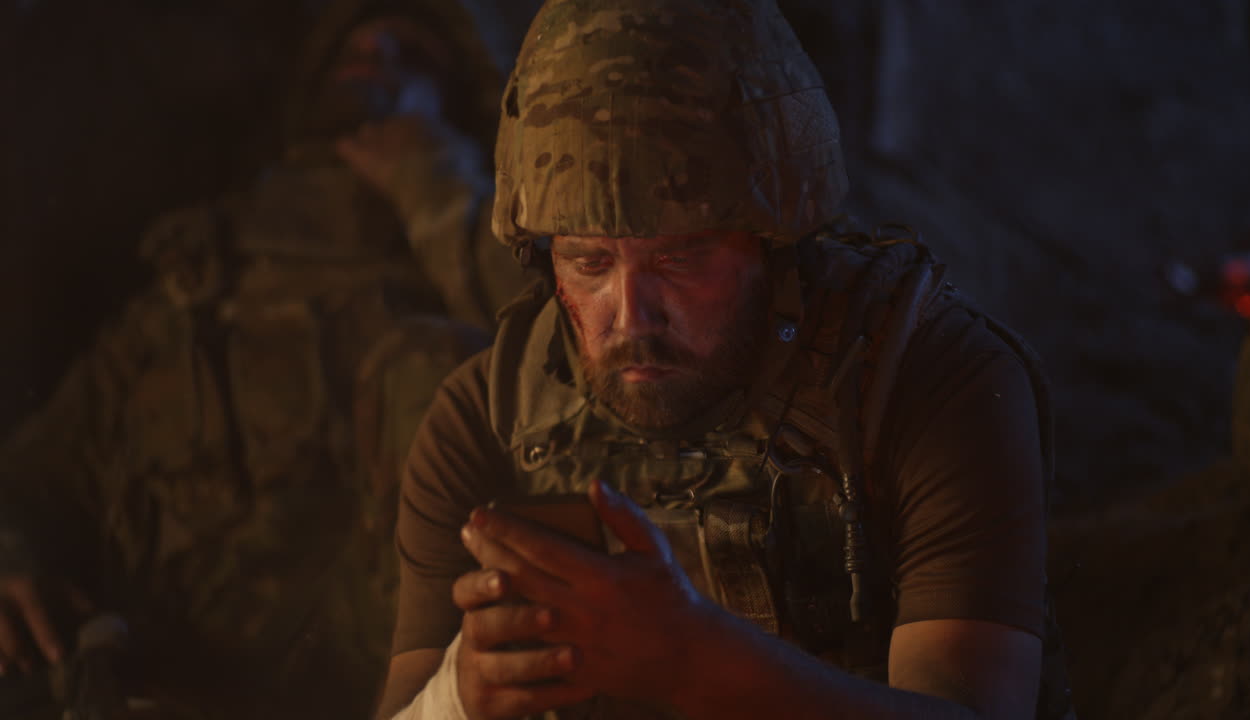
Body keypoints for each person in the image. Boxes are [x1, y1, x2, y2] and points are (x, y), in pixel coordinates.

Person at [378, 0, 1071, 719]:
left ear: (774, 245)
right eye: (588, 262)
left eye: (681, 258)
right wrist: (461, 697)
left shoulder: (925, 381)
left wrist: (694, 666)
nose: (631, 316)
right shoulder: (487, 419)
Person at [0, 1, 528, 718]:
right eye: (357, 49)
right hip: (158, 666)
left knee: (433, 365)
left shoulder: (451, 255)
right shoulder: (195, 285)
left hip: (373, 667)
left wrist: (436, 182)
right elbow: (39, 474)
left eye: (409, 55)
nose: (375, 59)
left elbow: (563, 354)